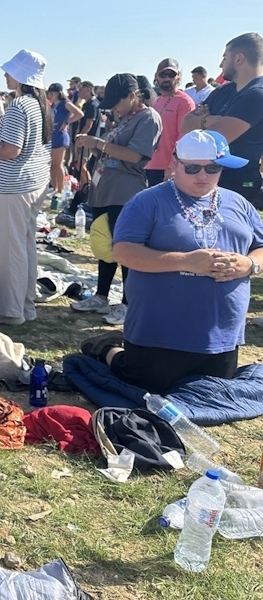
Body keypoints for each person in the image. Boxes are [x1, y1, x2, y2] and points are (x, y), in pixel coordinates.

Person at [81, 130, 263, 394]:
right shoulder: (146, 202)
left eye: (212, 168)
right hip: (160, 334)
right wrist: (187, 262)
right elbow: (123, 252)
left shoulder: (239, 203)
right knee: (140, 382)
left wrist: (249, 265)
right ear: (175, 164)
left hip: (221, 336)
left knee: (208, 394)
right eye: (192, 168)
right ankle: (107, 348)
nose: (203, 176)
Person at [72, 74, 162, 326]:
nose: (113, 107)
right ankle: (101, 296)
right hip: (106, 189)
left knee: (126, 248)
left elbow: (135, 156)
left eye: (117, 101)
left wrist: (97, 143)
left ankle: (127, 303)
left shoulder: (148, 118)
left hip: (125, 192)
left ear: (133, 96)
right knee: (105, 244)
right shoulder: (125, 117)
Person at [0, 49, 52, 326]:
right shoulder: (41, 105)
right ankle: (24, 305)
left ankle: (9, 310)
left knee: (8, 249)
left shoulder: (20, 105)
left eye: (10, 71)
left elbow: (11, 149)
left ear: (20, 75)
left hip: (13, 184)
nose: (6, 75)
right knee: (24, 246)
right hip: (32, 182)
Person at [184, 32, 263, 199]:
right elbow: (185, 125)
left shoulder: (257, 94)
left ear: (239, 59)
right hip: (210, 177)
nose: (221, 64)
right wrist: (208, 120)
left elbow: (212, 141)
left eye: (225, 57)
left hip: (239, 182)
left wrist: (203, 124)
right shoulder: (223, 90)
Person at [146, 59, 196, 186]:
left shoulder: (185, 101)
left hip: (168, 168)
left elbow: (184, 136)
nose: (167, 78)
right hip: (148, 164)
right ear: (156, 76)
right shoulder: (155, 101)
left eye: (171, 75)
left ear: (178, 76)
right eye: (163, 75)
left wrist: (172, 167)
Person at [45, 83, 83, 202]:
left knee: (58, 163)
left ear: (58, 93)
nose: (50, 96)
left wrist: (67, 122)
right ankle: (55, 187)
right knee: (52, 165)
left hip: (60, 137)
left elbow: (79, 114)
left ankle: (60, 190)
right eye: (49, 93)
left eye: (52, 93)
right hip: (52, 136)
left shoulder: (65, 103)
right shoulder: (52, 106)